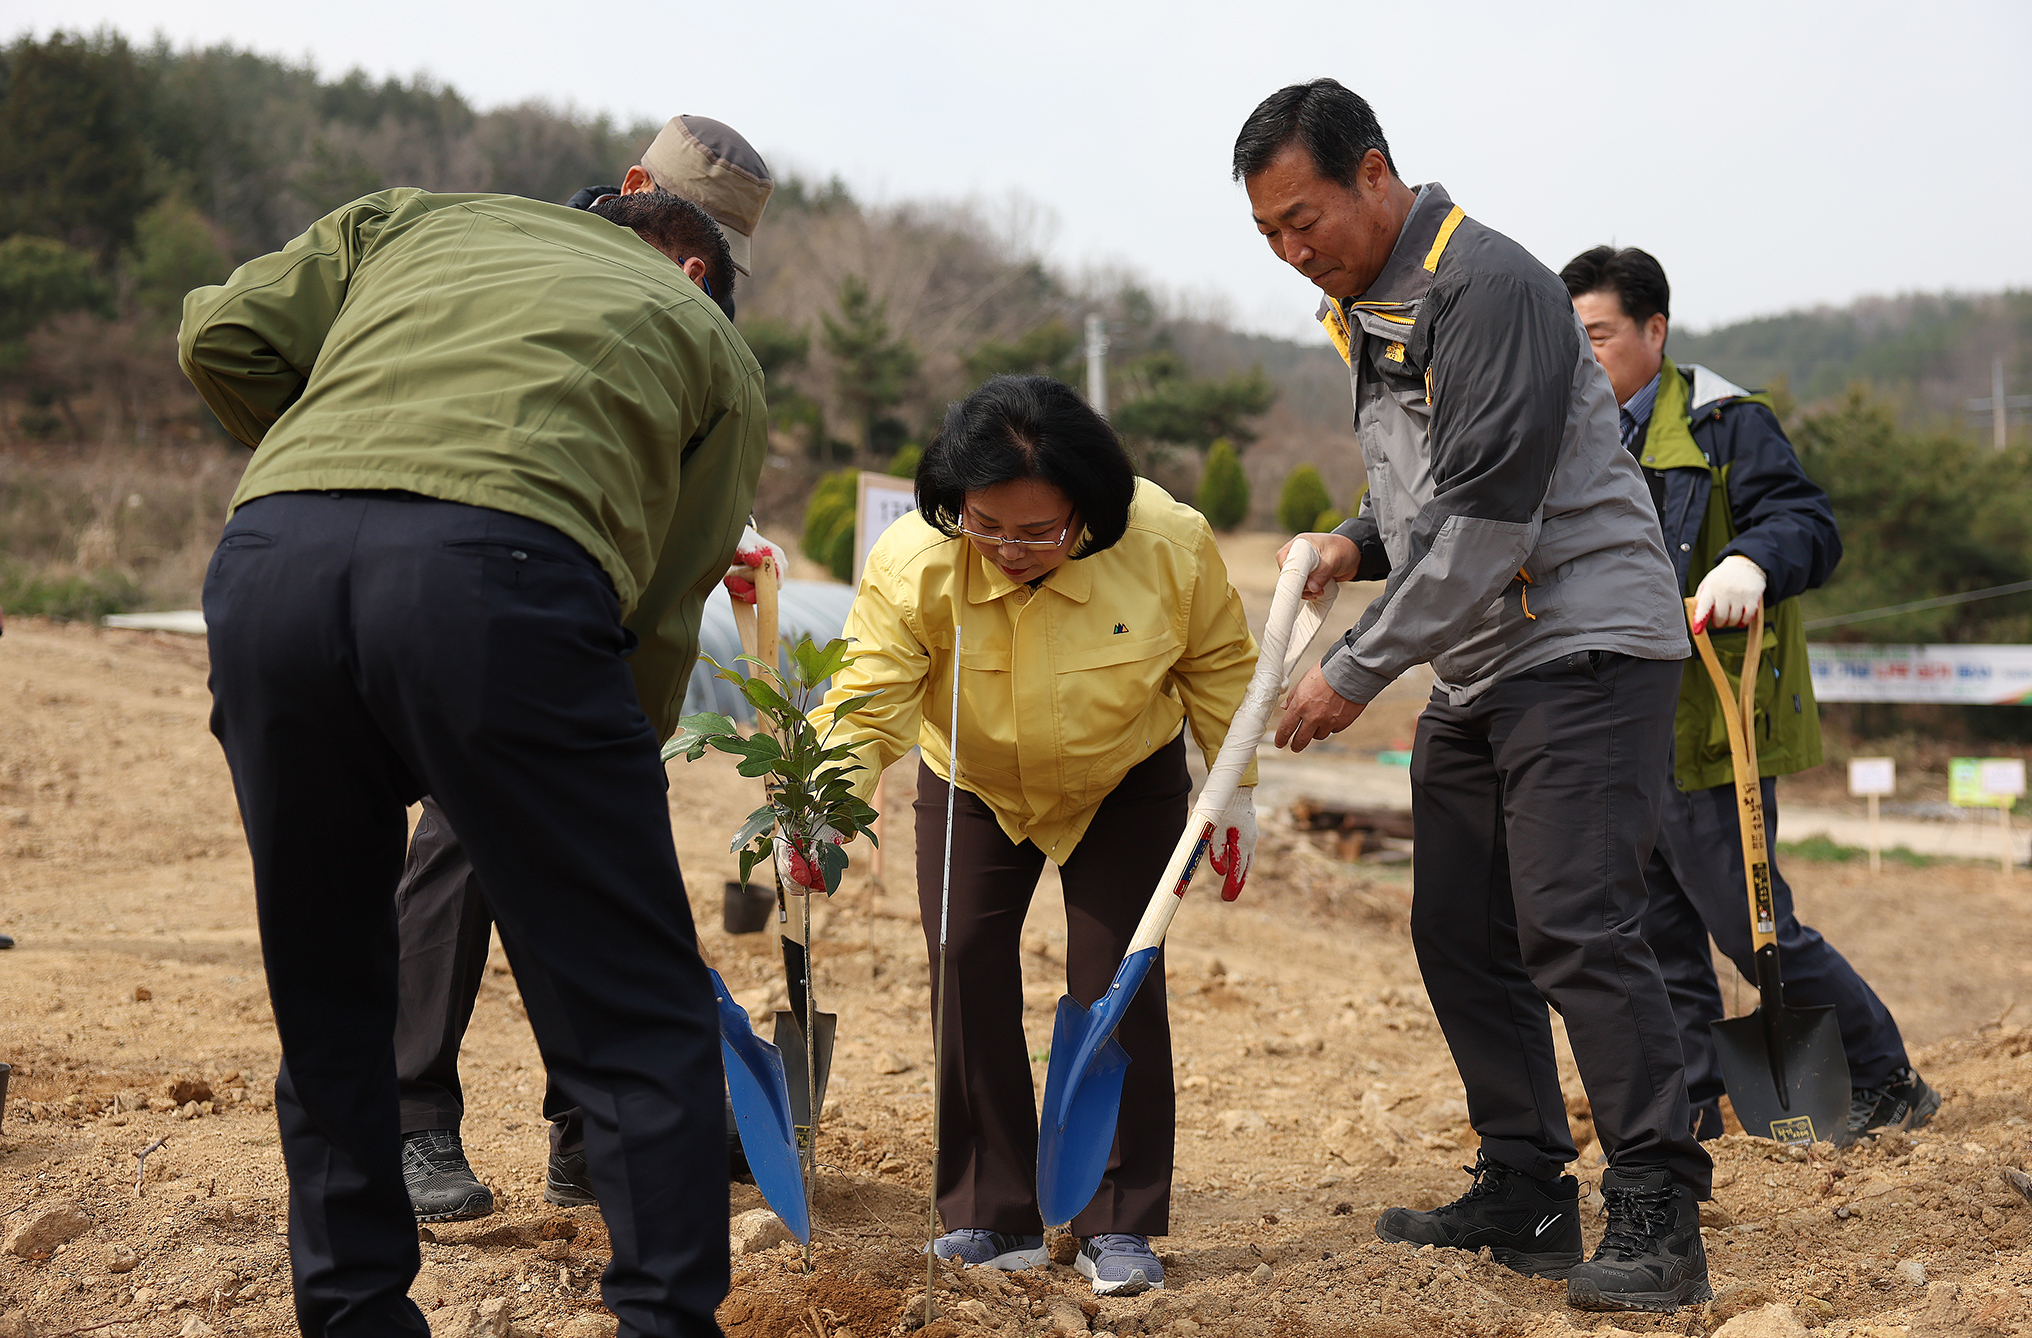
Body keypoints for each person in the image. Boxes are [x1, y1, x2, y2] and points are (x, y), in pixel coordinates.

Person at [181, 184, 764, 1335]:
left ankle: (352, 1315)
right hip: (502, 580)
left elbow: (218, 333)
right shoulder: (711, 346)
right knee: (635, 1013)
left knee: (331, 986)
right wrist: (608, 782)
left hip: (272, 564)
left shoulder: (408, 219)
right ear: (701, 270)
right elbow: (660, 606)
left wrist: (349, 443)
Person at [1234, 79, 1712, 1314]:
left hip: (1586, 642)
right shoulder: (1372, 307)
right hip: (1487, 658)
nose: (1294, 254)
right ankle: (1526, 1183)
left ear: (1374, 173)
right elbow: (1433, 496)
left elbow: (1493, 518)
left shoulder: (1487, 284)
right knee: (1457, 925)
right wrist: (1354, 540)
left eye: (1305, 220)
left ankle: (1657, 1201)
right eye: (1270, 237)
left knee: (1574, 924)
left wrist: (1351, 669)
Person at [390, 113, 777, 1224]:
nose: (702, 275)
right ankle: (409, 1117)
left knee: (604, 853)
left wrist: (727, 528)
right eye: (694, 241)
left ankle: (589, 1135)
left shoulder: (691, 300)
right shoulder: (517, 265)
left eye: (718, 259)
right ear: (634, 190)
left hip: (599, 605)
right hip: (479, 577)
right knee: (466, 836)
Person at [795, 375, 1260, 1297]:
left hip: (1124, 778)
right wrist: (823, 804)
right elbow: (865, 704)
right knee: (962, 957)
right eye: (987, 525)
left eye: (1038, 531)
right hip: (974, 777)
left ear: (1089, 510)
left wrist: (1234, 792)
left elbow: (1221, 672)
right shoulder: (912, 563)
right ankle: (987, 1210)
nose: (1009, 550)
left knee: (1114, 983)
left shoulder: (1169, 544)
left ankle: (1115, 1222)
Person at [1560, 245, 1937, 1145]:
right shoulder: (1575, 437)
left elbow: (1809, 524)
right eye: (1573, 342)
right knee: (1655, 934)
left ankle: (1887, 1078)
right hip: (1621, 719)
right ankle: (1692, 1105)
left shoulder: (1729, 424)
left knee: (1750, 924)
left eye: (1600, 336)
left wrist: (1751, 559)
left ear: (1654, 330)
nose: (1586, 358)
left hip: (1709, 722)